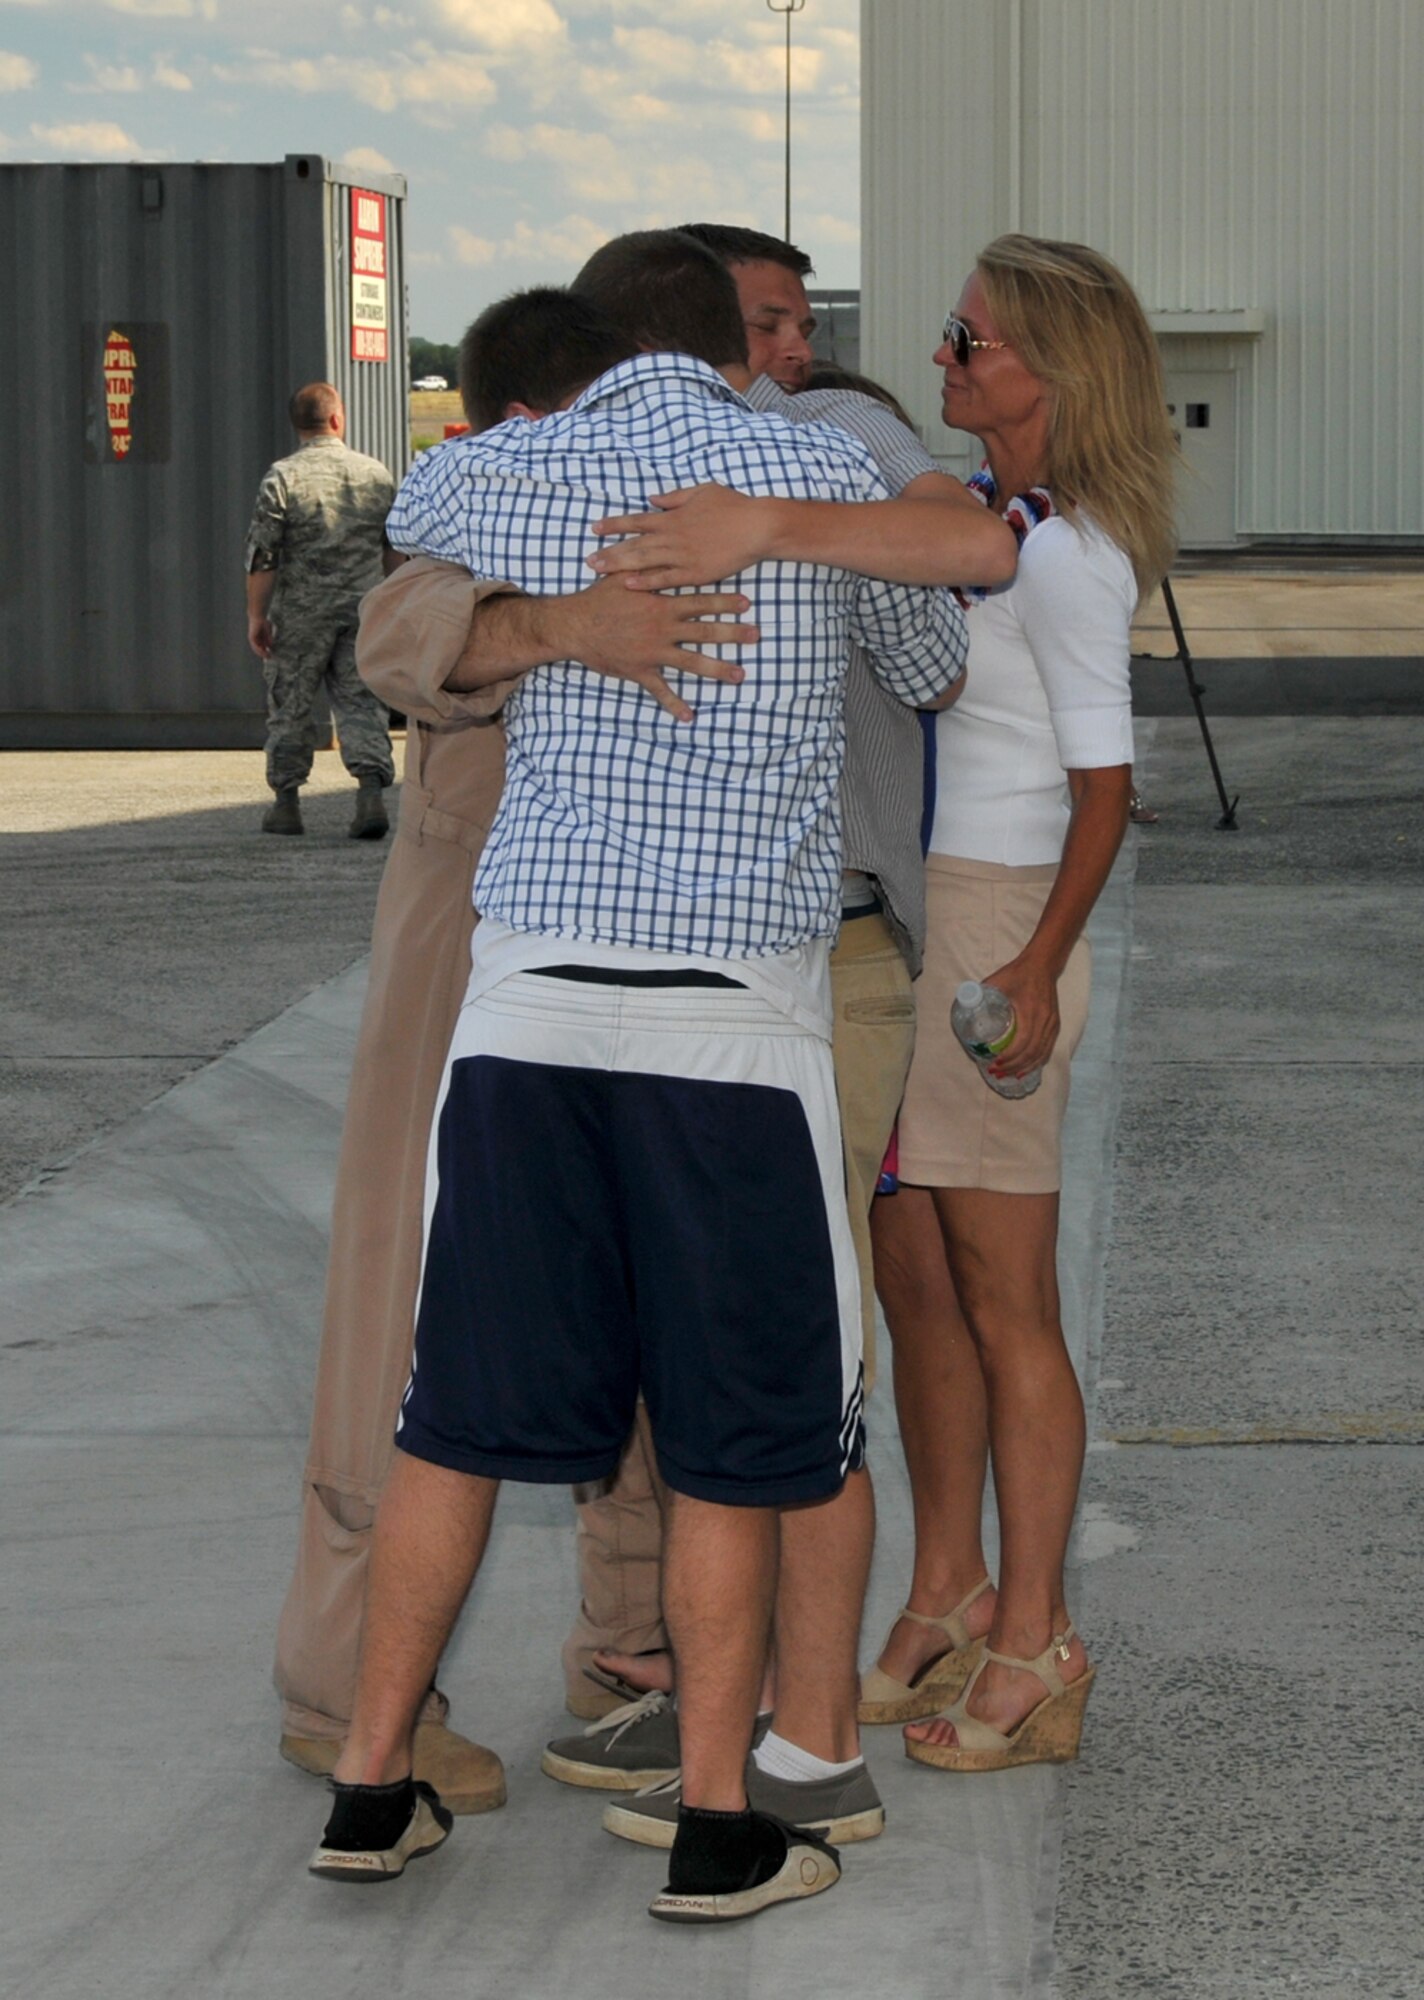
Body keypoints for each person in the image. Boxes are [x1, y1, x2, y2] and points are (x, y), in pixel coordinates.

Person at [306, 234, 969, 1924]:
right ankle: (720, 1826)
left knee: (453, 1416)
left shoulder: (513, 467)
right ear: (752, 351)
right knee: (744, 1433)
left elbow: (408, 553)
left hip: (523, 1015)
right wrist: (784, 556)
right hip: (727, 1031)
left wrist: (560, 618)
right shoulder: (814, 465)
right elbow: (928, 662)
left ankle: (370, 1786)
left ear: (597, 348)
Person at [273, 296, 758, 1806]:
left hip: (618, 983)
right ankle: (352, 1691)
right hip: (465, 975)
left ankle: (631, 1653)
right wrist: (568, 630)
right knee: (406, 1319)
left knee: (637, 1307)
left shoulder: (677, 505)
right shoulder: (495, 497)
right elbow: (400, 636)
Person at [560, 224, 1014, 1743]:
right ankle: (703, 1670)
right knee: (670, 1327)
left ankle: (785, 1719)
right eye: (760, 325)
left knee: (790, 1345)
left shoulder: (836, 439)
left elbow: (955, 590)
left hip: (827, 955)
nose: (789, 350)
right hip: (653, 960)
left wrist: (767, 522)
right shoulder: (601, 457)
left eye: (797, 320)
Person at [859, 235, 1177, 1772]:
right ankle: (967, 1599)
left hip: (999, 918)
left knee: (1009, 1307)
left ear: (1051, 366)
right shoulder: (1011, 522)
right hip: (967, 909)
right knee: (940, 1281)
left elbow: (1109, 792)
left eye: (969, 341)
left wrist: (1033, 968)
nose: (945, 360)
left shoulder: (1064, 551)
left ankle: (1036, 1640)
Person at [244, 383, 396, 839]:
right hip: (365, 608)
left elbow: (263, 554)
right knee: (362, 699)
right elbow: (394, 548)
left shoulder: (282, 477)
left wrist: (257, 615)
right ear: (337, 419)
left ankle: (287, 804)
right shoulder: (375, 475)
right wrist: (389, 601)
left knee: (290, 704)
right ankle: (369, 795)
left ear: (298, 425)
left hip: (301, 612)